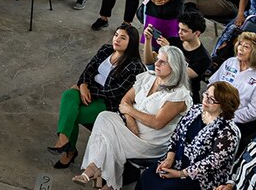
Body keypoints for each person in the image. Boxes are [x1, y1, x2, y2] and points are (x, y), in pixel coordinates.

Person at [75, 46, 192, 190]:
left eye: (163, 62)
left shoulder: (179, 95)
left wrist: (130, 111)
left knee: (108, 136)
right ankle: (96, 170)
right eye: (157, 60)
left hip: (149, 142)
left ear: (174, 67)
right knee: (104, 118)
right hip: (129, 128)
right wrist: (131, 121)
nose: (156, 64)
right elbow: (125, 100)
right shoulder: (148, 77)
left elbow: (157, 123)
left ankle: (99, 174)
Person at [49, 24, 145, 169]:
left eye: (122, 38)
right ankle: (64, 140)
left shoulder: (134, 66)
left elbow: (115, 92)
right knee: (69, 95)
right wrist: (82, 85)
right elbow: (89, 69)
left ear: (131, 42)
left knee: (74, 114)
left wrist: (88, 90)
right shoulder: (106, 49)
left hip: (107, 102)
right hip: (89, 90)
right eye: (116, 35)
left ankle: (69, 150)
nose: (117, 39)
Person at [136, 82, 242, 190]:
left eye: (212, 99)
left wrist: (179, 174)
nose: (205, 99)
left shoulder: (228, 132)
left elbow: (211, 164)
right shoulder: (196, 109)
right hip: (178, 161)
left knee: (164, 188)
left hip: (201, 177)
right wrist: (169, 158)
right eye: (206, 94)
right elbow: (177, 135)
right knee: (147, 176)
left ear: (224, 105)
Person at [209, 33, 256, 139]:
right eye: (240, 44)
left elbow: (254, 111)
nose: (240, 48)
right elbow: (212, 83)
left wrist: (225, 117)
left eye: (246, 46)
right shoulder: (230, 62)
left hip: (237, 121)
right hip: (213, 109)